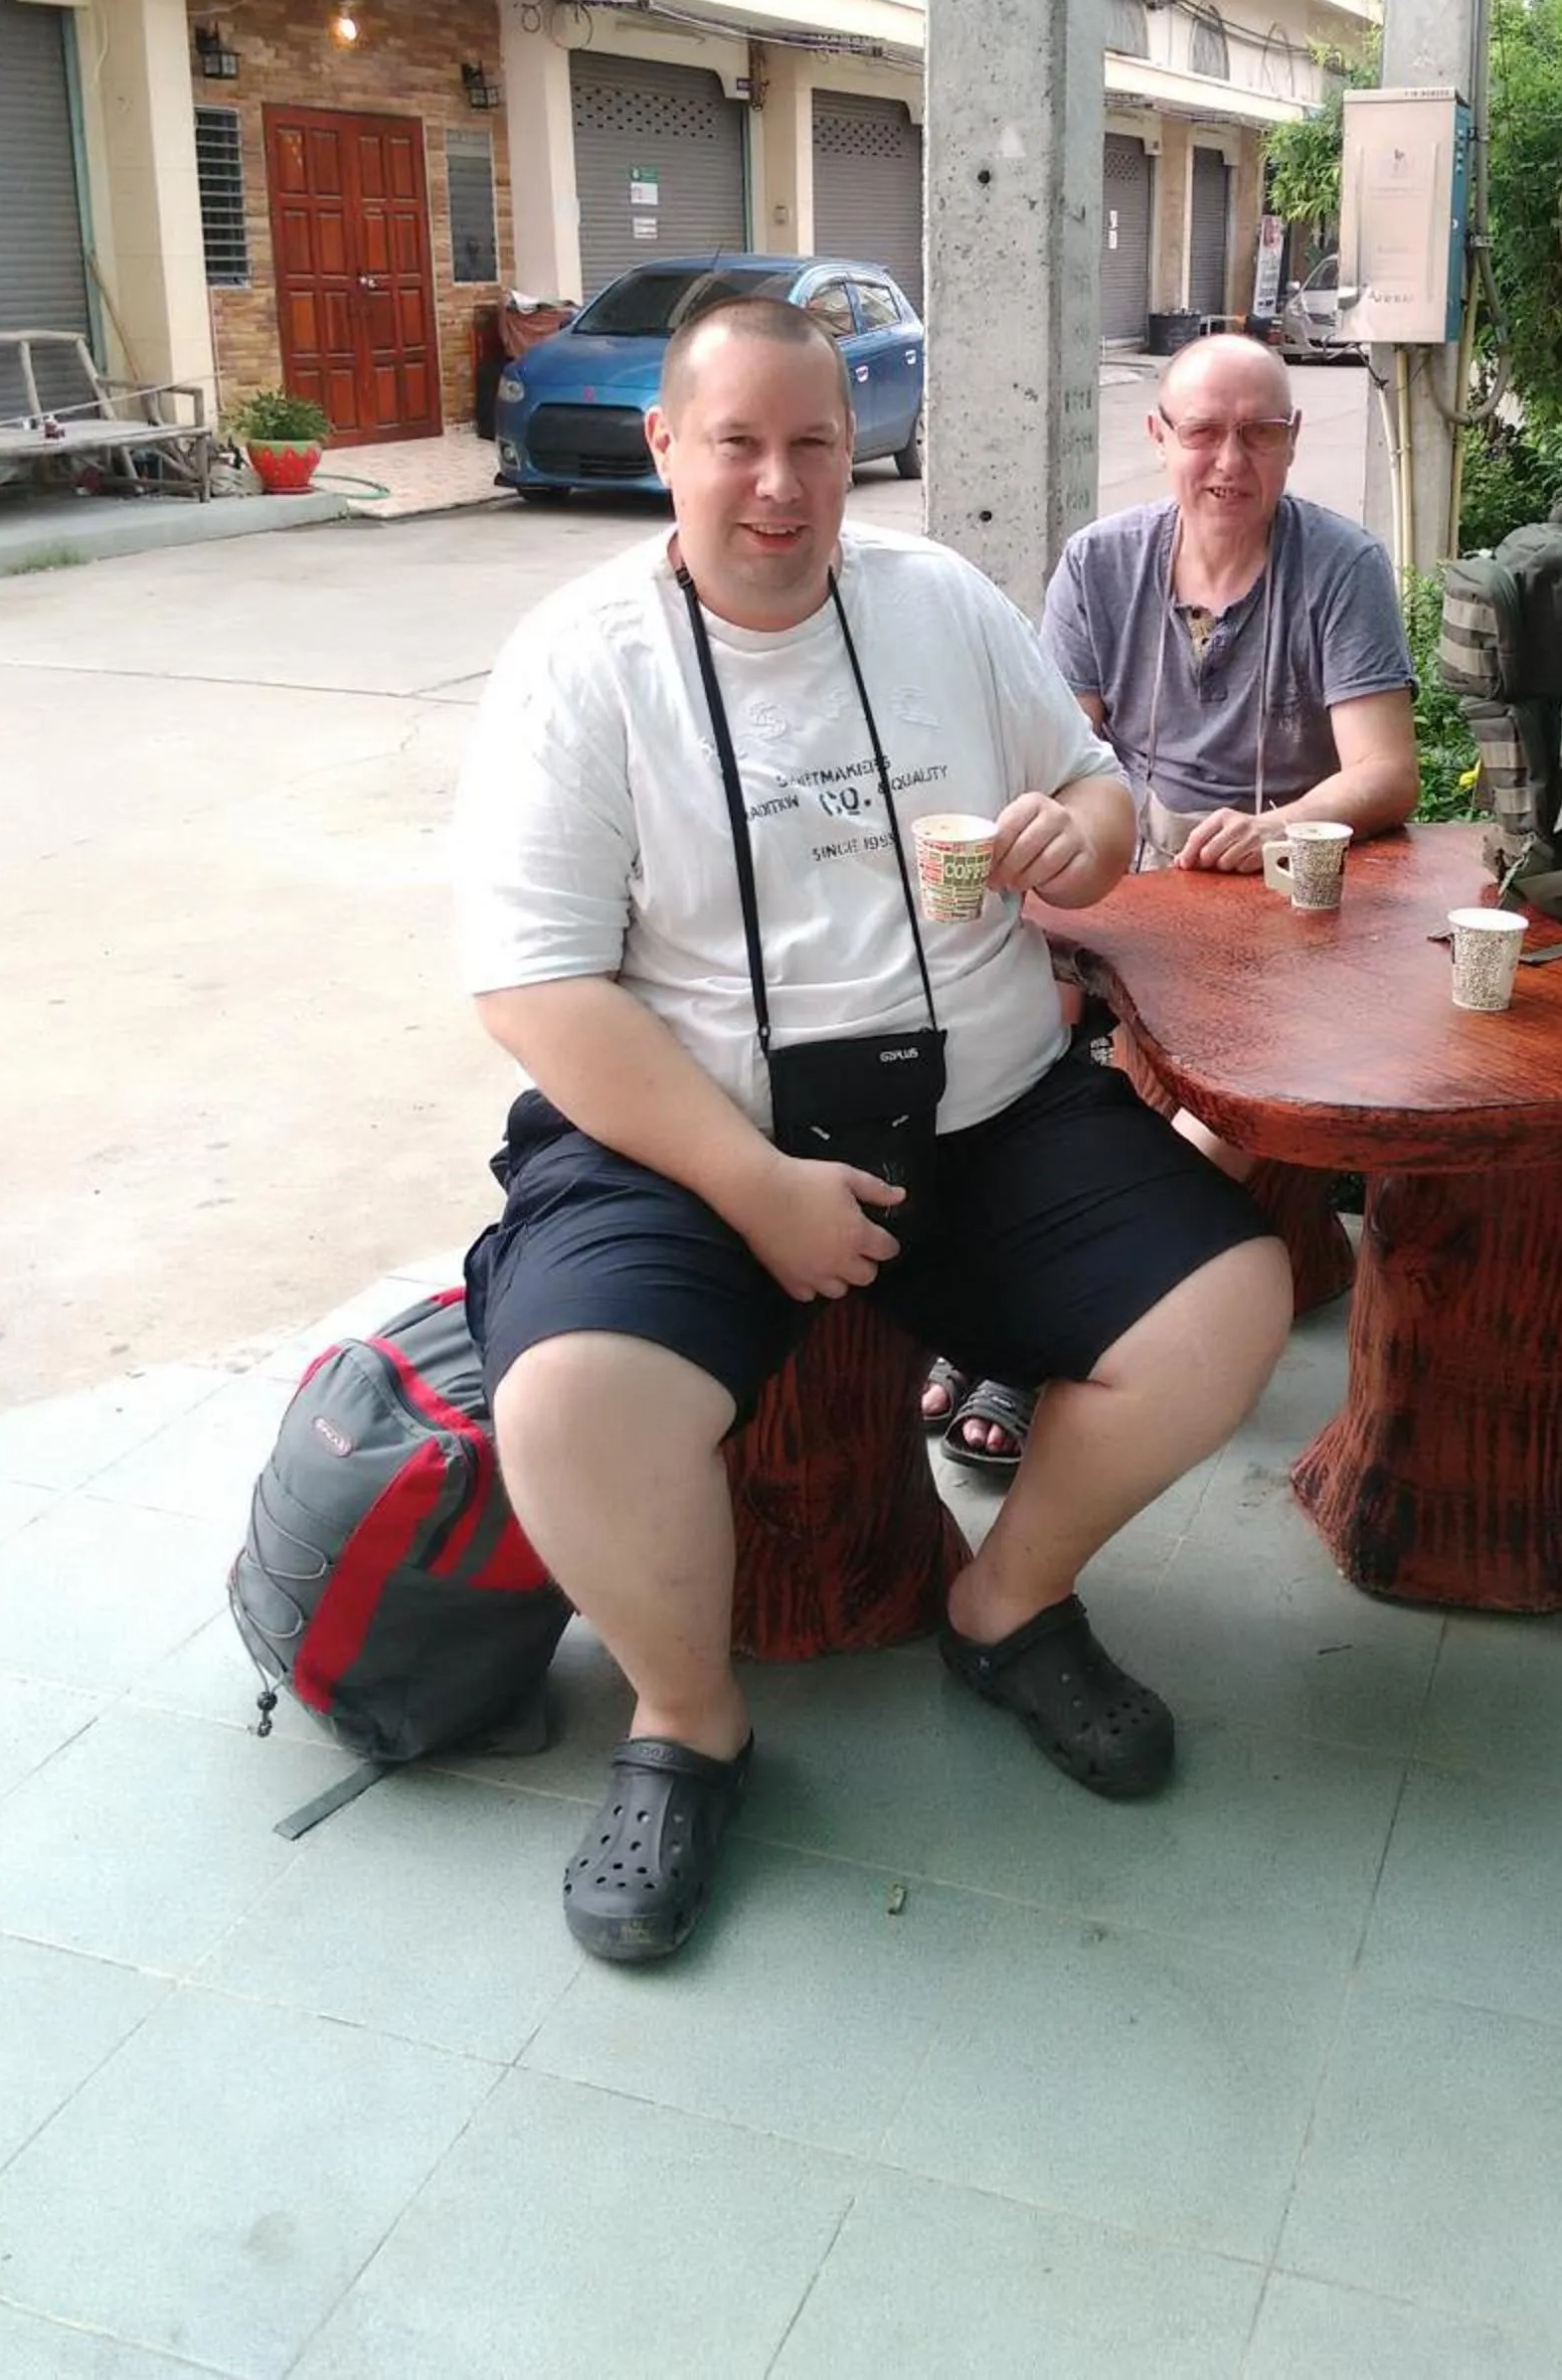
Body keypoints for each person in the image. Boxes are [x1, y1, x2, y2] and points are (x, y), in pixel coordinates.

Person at [454, 294, 1291, 1965]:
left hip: (982, 1113)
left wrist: (1084, 832)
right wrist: (750, 1181)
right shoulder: (578, 658)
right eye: (740, 445)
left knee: (1232, 1301)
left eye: (816, 445)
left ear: (859, 453)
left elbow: (1100, 788)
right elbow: (537, 989)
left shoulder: (942, 604)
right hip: (686, 1146)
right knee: (566, 1403)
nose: (780, 487)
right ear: (664, 448)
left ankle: (1008, 1600)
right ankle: (687, 1720)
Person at [928, 330, 1419, 1470]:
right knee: (999, 1031)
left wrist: (1278, 823)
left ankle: (1066, 1319)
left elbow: (1385, 770)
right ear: (1160, 438)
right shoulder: (1102, 562)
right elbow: (1059, 752)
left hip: (1275, 902)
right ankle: (993, 1295)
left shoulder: (1339, 567)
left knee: (1229, 1081)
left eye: (1259, 432)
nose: (1229, 460)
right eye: (1203, 430)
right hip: (1131, 882)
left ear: (1295, 442)